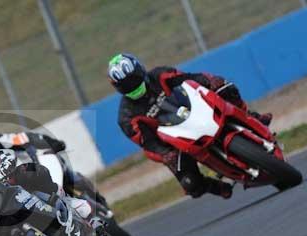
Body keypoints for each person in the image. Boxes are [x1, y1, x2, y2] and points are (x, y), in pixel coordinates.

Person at [108, 53, 273, 199]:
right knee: (190, 184)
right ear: (118, 88)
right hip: (173, 139)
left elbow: (189, 78)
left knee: (226, 88)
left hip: (192, 110)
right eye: (126, 85)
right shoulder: (127, 116)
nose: (133, 86)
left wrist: (210, 81)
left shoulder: (160, 75)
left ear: (140, 70)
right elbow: (148, 143)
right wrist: (166, 154)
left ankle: (251, 117)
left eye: (134, 79)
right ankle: (215, 186)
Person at [0, 120, 93, 219]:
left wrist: (52, 143)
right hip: (1, 201)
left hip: (24, 180)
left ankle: (67, 201)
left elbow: (26, 138)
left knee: (47, 172)